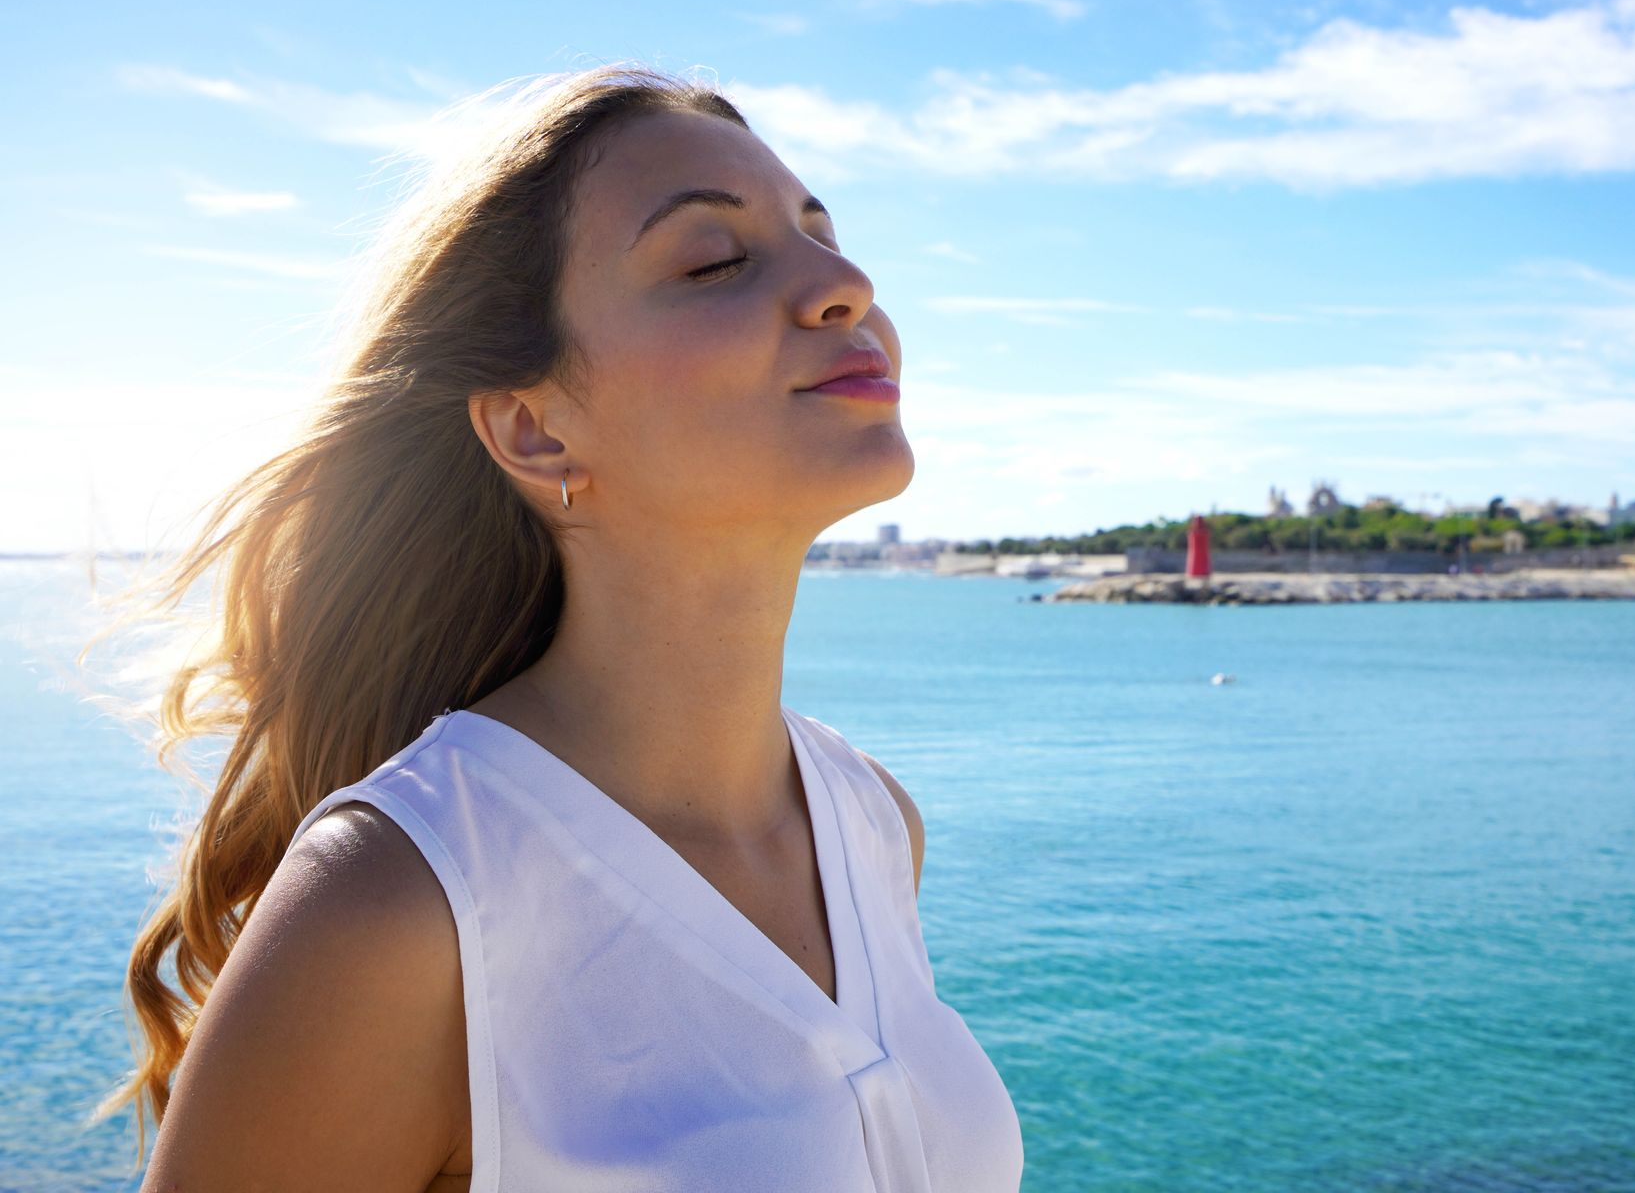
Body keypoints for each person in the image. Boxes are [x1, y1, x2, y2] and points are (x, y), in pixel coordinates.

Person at [89, 64, 1023, 1192]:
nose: (847, 283)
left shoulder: (872, 822)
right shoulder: (398, 901)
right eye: (716, 258)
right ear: (534, 431)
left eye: (822, 233)